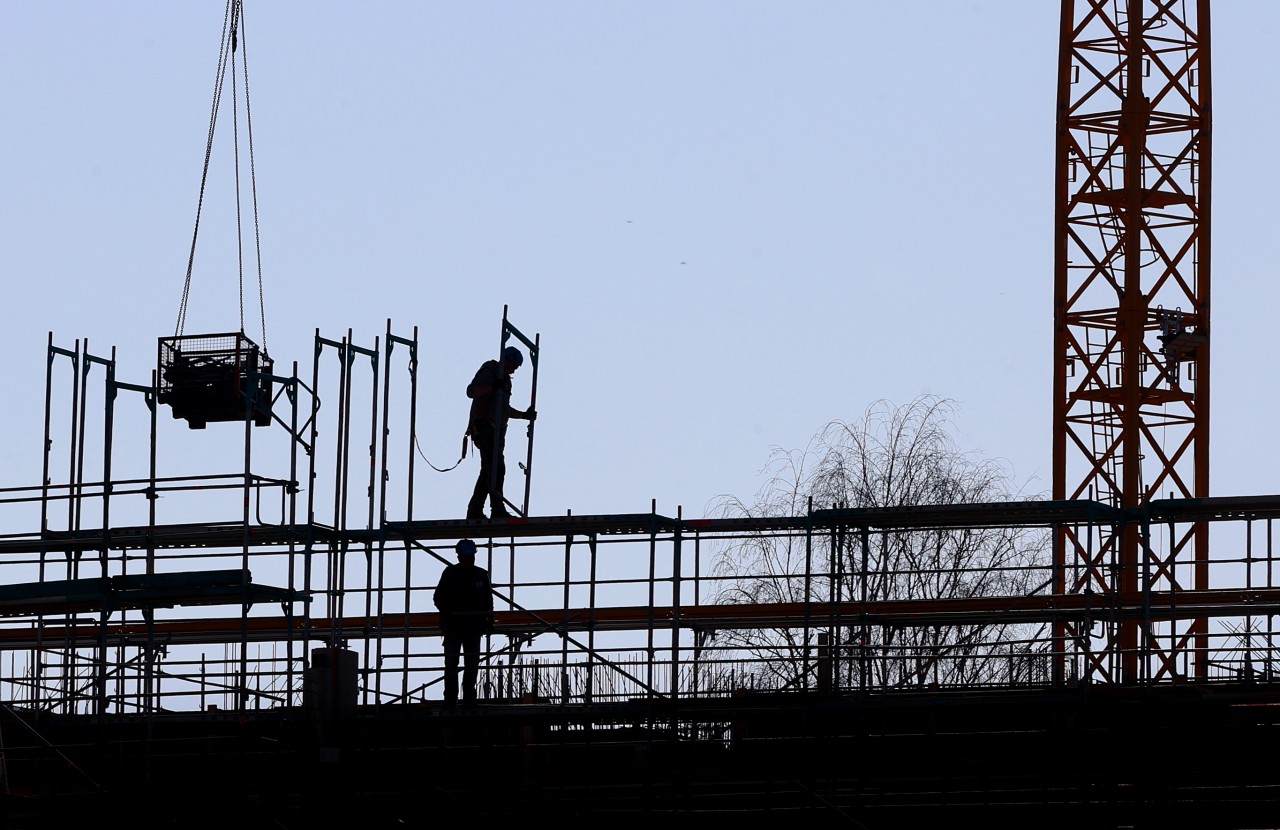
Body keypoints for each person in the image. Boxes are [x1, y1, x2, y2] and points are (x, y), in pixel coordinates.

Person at [465, 345, 536, 521]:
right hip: (484, 427)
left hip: (496, 431)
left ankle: (475, 510)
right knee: (496, 468)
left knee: (489, 470)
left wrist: (523, 416)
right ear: (507, 360)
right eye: (513, 365)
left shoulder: (504, 380)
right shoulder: (490, 371)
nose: (514, 369)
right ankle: (496, 508)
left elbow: (503, 409)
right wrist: (492, 386)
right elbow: (471, 392)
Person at [433, 538, 494, 709]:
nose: (469, 560)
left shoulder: (481, 574)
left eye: (471, 557)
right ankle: (451, 699)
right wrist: (449, 613)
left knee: (471, 664)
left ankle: (468, 698)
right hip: (454, 627)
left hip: (473, 627)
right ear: (459, 557)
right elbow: (438, 597)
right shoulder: (451, 573)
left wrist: (489, 620)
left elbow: (488, 600)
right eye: (466, 557)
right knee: (452, 663)